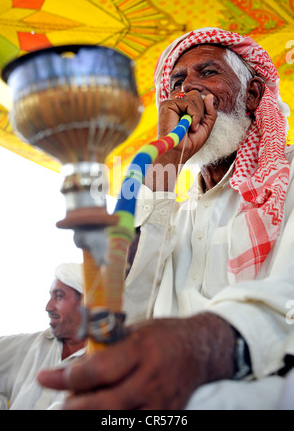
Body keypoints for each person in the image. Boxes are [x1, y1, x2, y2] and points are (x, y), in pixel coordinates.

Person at [37, 28, 294, 410]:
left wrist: (199, 346)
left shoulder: (286, 179)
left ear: (252, 95)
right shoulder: (171, 210)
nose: (188, 90)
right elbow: (124, 304)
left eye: (208, 73)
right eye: (177, 81)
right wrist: (167, 165)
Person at [0, 262, 85, 410]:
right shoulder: (30, 345)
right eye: (51, 296)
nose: (48, 307)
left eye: (59, 297)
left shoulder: (105, 362)